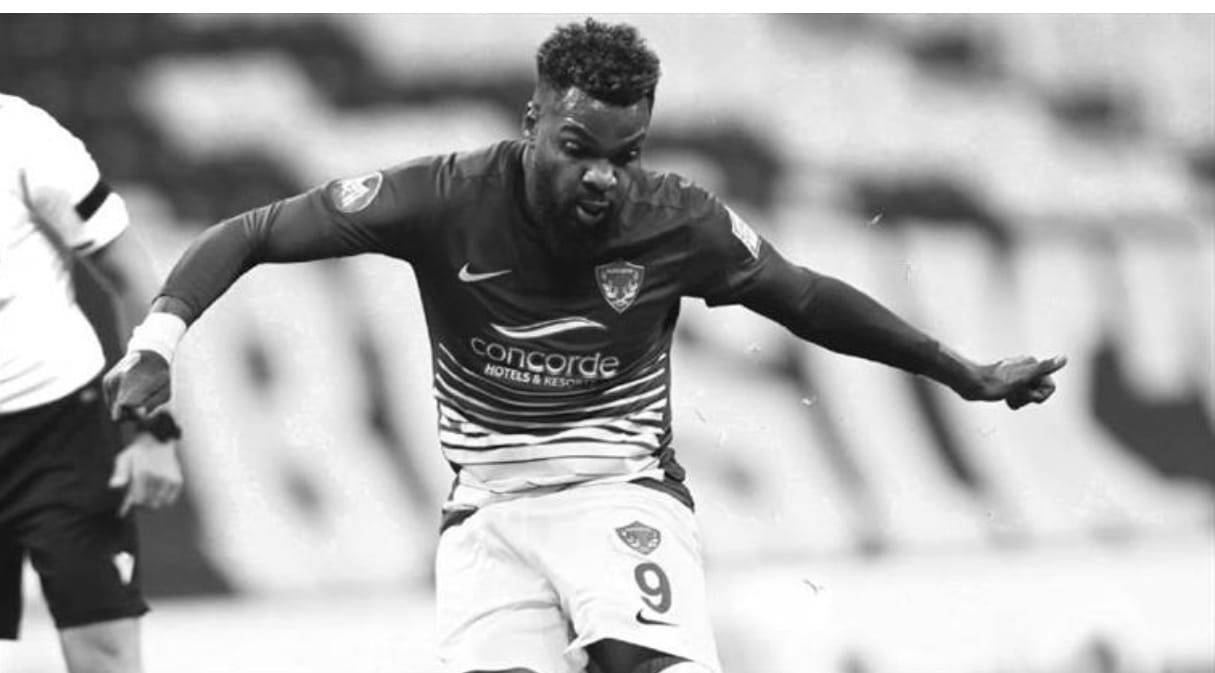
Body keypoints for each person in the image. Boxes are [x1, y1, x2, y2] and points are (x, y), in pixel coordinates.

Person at [103, 18, 1065, 673]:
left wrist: (961, 372)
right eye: (579, 149)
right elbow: (252, 232)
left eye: (624, 154)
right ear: (533, 124)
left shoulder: (678, 221)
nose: (604, 177)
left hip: (618, 490)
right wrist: (156, 341)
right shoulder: (442, 198)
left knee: (638, 660)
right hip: (486, 513)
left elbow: (806, 298)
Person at [0, 94, 184, 673]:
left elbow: (132, 275)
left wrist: (153, 429)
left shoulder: (19, 134)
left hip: (58, 431)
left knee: (104, 655)